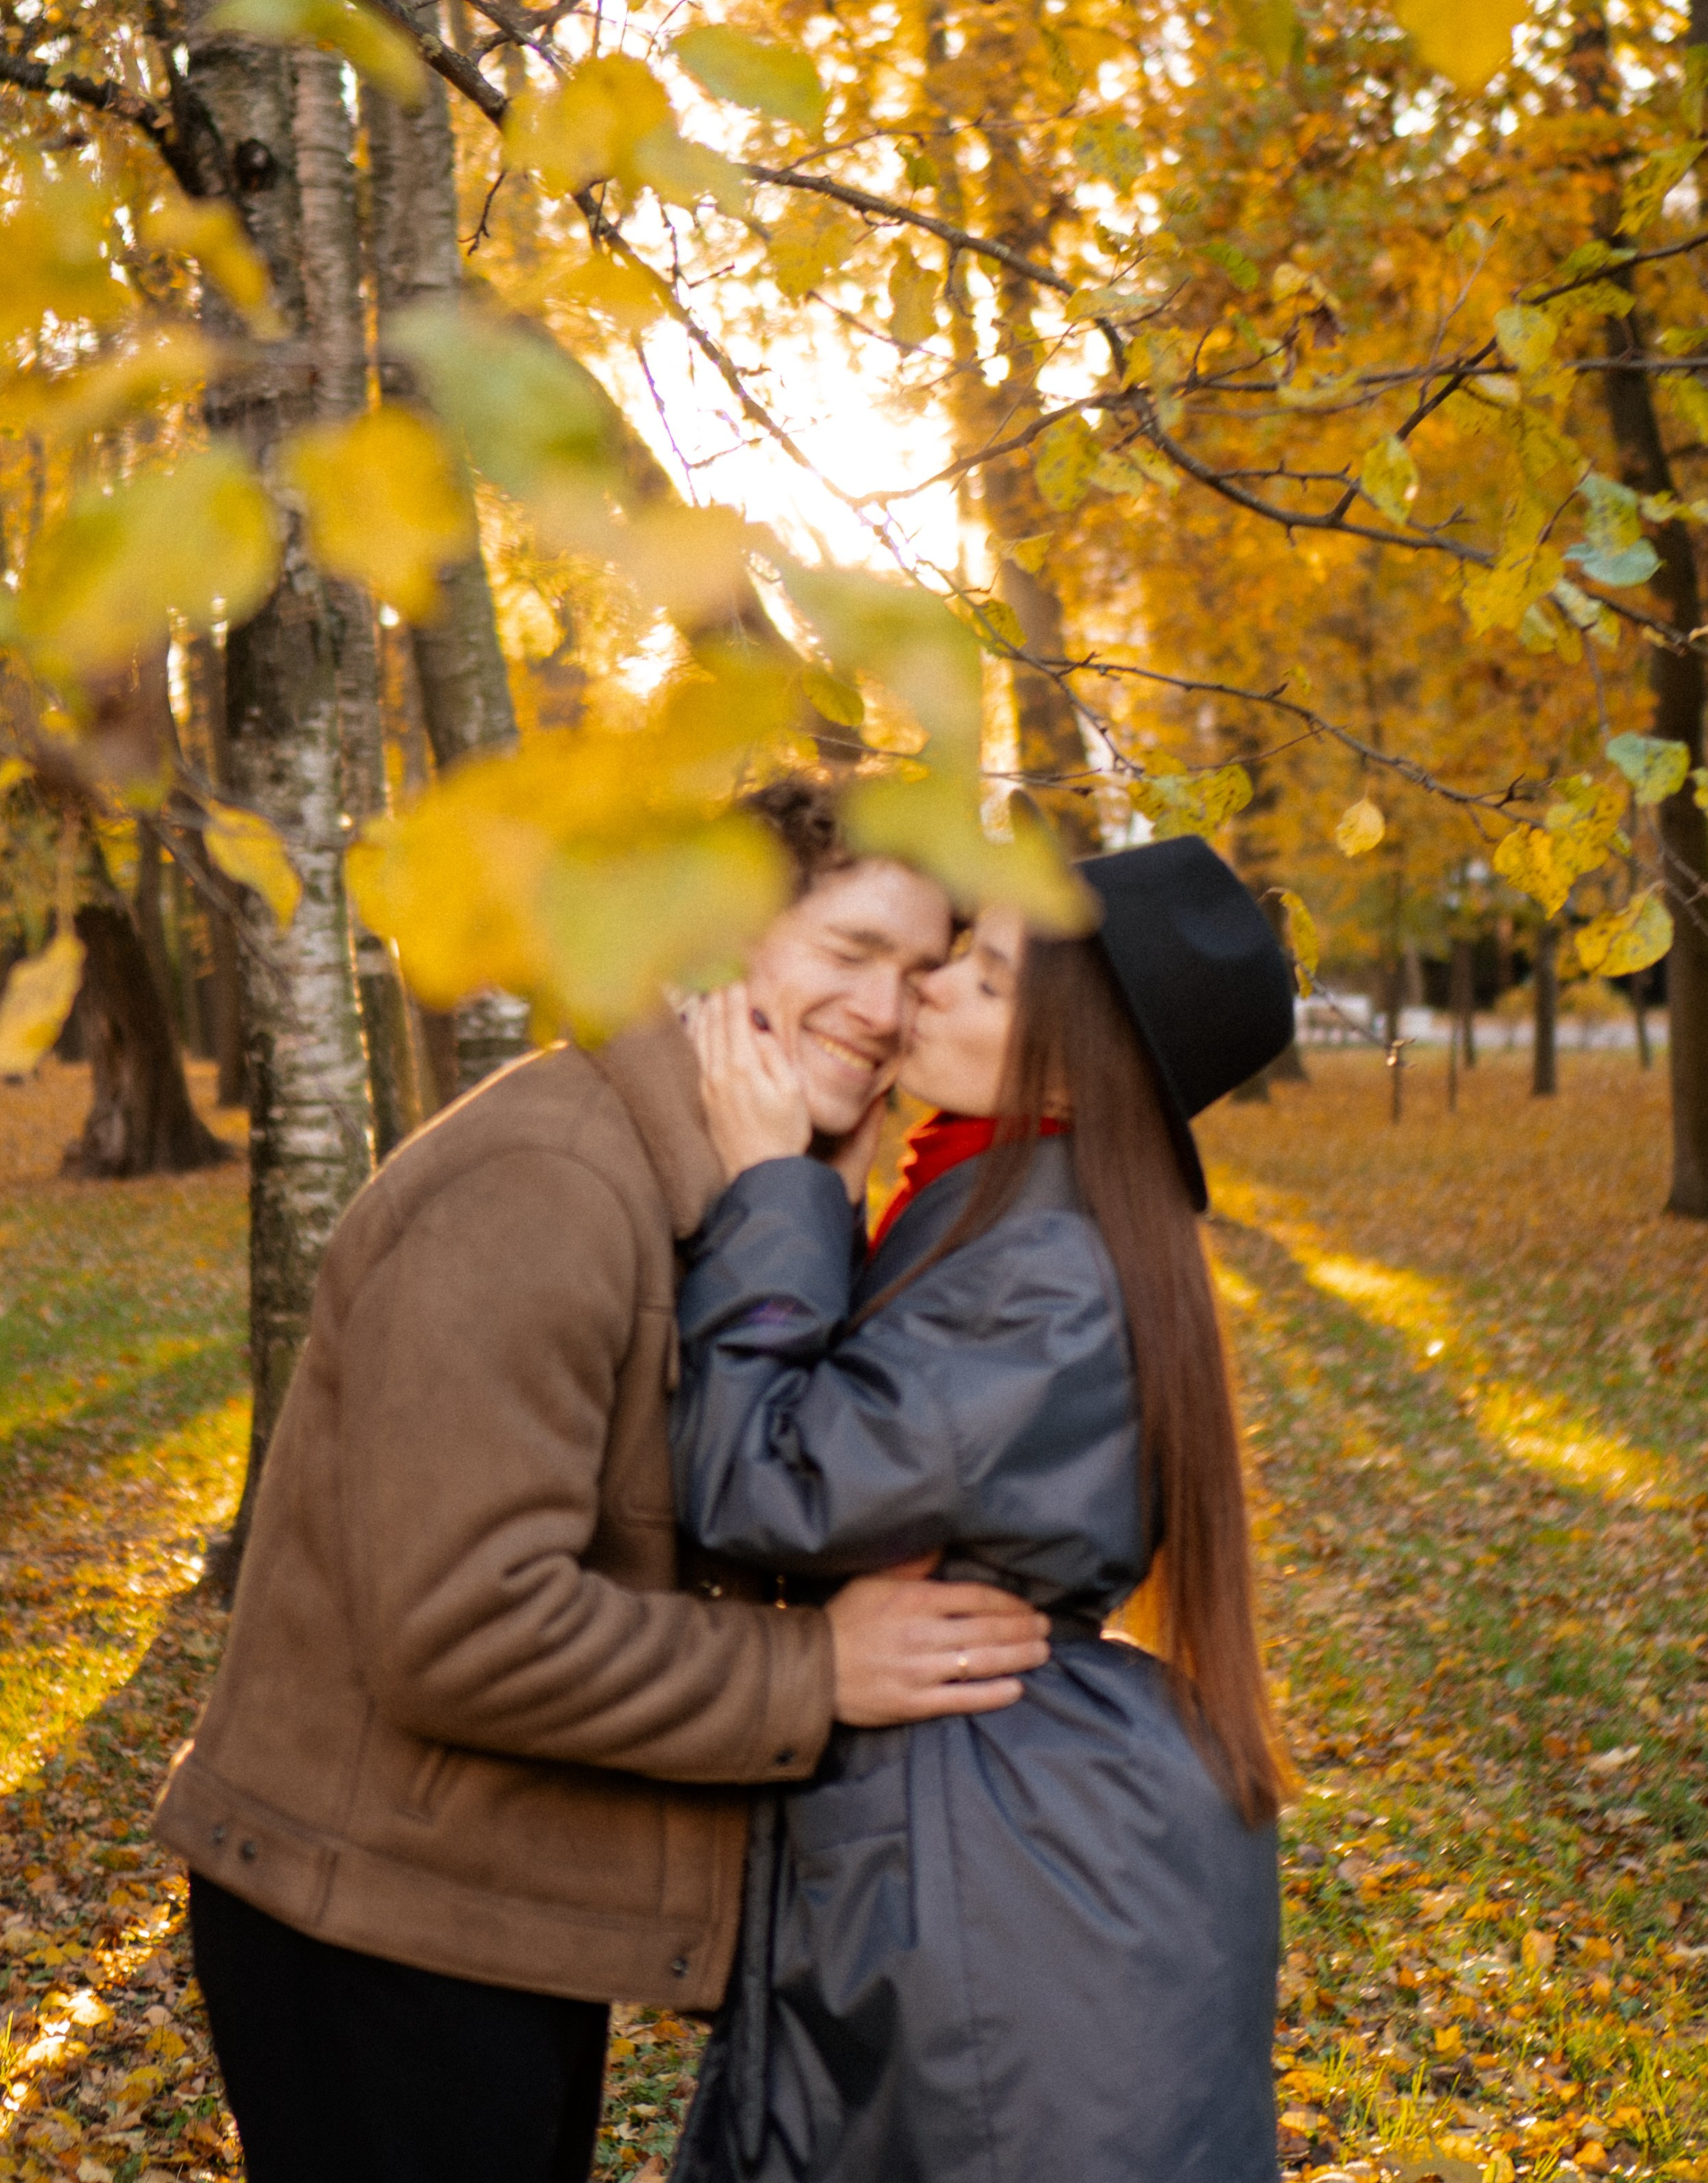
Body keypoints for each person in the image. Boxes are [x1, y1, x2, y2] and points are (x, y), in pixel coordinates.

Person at [152, 779, 1052, 2183]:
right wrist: (811, 1671)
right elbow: (465, 1628)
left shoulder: (722, 1190)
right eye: (847, 951)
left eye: (920, 972)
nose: (886, 1010)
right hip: (367, 1927)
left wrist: (801, 1225)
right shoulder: (546, 1184)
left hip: (482, 1912)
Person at [667, 832, 1297, 2183]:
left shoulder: (1041, 1266)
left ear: (1072, 1064)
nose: (933, 989)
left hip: (994, 1868)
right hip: (994, 1822)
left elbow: (764, 1483)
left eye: (989, 980)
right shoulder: (1008, 1210)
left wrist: (771, 1187)